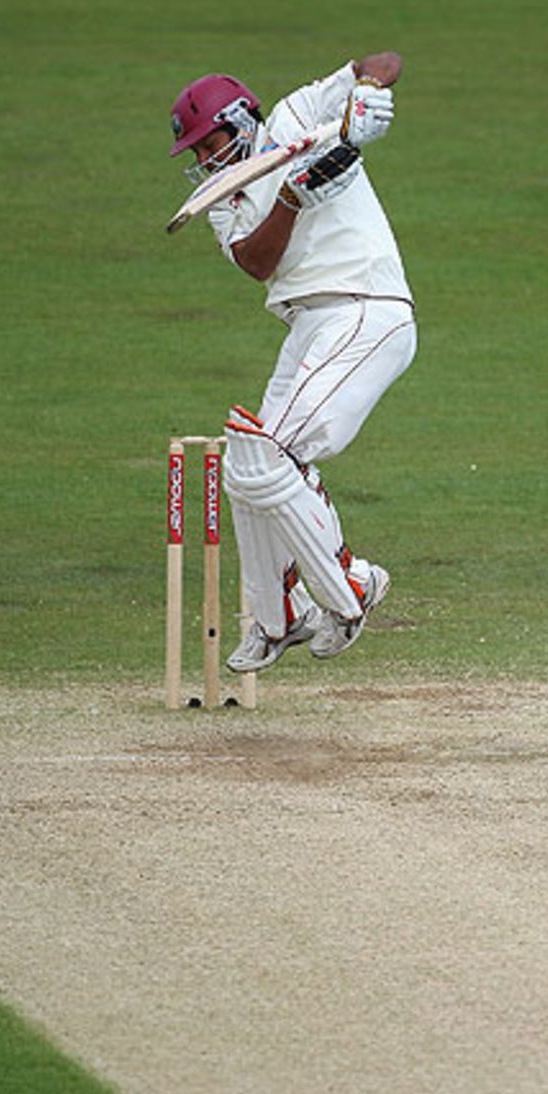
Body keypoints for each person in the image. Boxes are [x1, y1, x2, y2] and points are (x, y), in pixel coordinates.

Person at [167, 54, 417, 670]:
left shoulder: (299, 113)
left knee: (275, 454)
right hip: (310, 321)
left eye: (210, 143)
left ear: (239, 120)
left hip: (367, 306)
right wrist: (292, 195)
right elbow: (257, 262)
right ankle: (281, 617)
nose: (205, 161)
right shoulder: (219, 197)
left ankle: (353, 584)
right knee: (248, 459)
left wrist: (364, 94)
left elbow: (386, 61)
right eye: (197, 153)